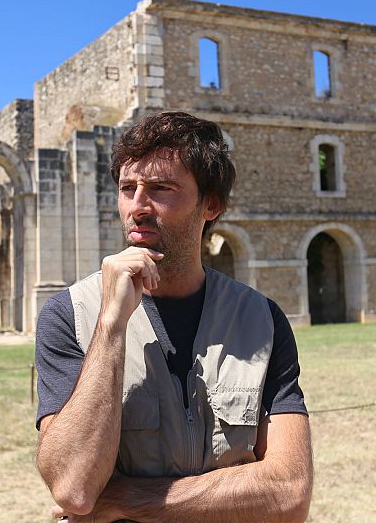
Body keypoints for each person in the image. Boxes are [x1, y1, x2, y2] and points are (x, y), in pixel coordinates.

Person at [35, 111, 313, 522]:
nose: (137, 207)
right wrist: (111, 325)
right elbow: (75, 489)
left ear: (211, 204)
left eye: (161, 188)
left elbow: (290, 493)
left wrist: (124, 499)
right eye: (127, 188)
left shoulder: (261, 321)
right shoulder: (68, 315)